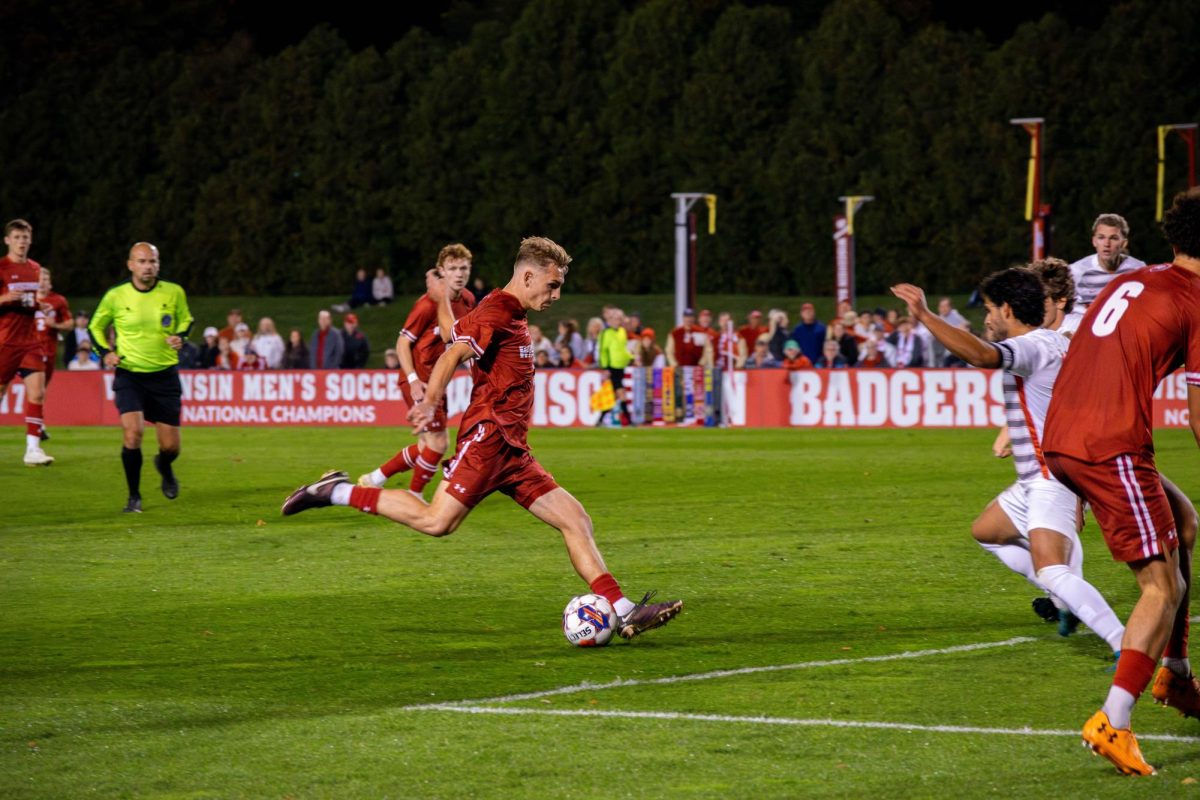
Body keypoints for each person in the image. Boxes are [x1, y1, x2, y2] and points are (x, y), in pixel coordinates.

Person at [282, 236, 682, 641]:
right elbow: (451, 352)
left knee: (576, 520)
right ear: (528, 276)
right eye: (553, 284)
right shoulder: (497, 310)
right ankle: (333, 492)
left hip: (514, 451)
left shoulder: (503, 309)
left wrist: (443, 302)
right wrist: (429, 401)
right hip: (488, 439)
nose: (557, 294)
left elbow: (451, 331)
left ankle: (625, 610)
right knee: (436, 521)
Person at [1041, 189, 1200, 776]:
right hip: (1109, 444)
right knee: (1162, 587)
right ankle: (1114, 719)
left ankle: (1177, 676)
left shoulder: (1133, 280)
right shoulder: (1195, 297)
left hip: (1069, 433)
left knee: (1183, 525)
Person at [893, 268, 1126, 664]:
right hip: (1040, 476)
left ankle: (1126, 644)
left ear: (1007, 308)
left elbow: (983, 355)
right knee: (986, 531)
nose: (986, 319)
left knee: (1053, 569)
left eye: (988, 309)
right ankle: (1065, 600)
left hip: (1049, 477)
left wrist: (925, 315)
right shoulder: (1056, 341)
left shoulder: (1032, 346)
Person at [359, 243, 475, 494]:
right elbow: (402, 343)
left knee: (426, 446)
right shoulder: (426, 304)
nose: (458, 273)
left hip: (438, 382)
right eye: (452, 268)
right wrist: (412, 380)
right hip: (420, 381)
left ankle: (375, 478)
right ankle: (414, 495)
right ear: (440, 271)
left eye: (463, 268)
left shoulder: (468, 300)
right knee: (438, 442)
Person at [88, 242, 193, 513]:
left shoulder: (174, 292)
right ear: (131, 264)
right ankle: (134, 497)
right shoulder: (116, 296)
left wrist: (179, 336)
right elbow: (95, 326)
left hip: (164, 375)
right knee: (133, 433)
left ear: (158, 264)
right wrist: (105, 352)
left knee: (170, 446)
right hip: (130, 373)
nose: (148, 266)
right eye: (142, 261)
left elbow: (186, 321)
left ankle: (165, 466)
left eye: (153, 262)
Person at [0, 219, 53, 465]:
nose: (21, 242)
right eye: (17, 237)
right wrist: (4, 298)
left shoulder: (34, 268)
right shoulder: (1, 267)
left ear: (30, 241)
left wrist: (39, 305)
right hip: (6, 341)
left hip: (30, 341)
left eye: (25, 238)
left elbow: (29, 301)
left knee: (38, 393)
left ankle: (33, 450)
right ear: (7, 240)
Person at [1062, 213, 1147, 335]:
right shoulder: (1076, 271)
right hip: (1084, 334)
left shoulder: (1139, 269)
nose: (1106, 244)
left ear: (1124, 243)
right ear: (1094, 241)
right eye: (1101, 237)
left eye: (1113, 238)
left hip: (1125, 333)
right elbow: (1065, 311)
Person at [34, 267, 72, 441]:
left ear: (50, 283)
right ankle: (37, 427)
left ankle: (38, 424)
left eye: (45, 279)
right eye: (39, 278)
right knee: (35, 387)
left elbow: (69, 323)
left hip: (48, 350)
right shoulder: (27, 299)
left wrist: (55, 325)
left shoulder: (58, 300)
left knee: (41, 389)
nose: (42, 282)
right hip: (27, 349)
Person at [598, 306, 634, 426]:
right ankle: (629, 420)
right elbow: (603, 351)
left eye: (619, 318)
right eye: (615, 318)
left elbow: (623, 349)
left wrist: (631, 357)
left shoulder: (622, 332)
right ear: (610, 320)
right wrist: (605, 368)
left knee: (613, 395)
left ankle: (600, 421)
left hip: (620, 367)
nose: (617, 321)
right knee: (620, 393)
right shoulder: (606, 333)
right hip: (612, 368)